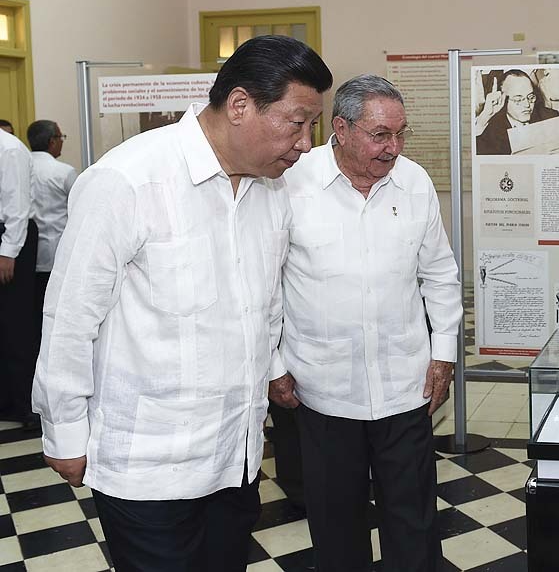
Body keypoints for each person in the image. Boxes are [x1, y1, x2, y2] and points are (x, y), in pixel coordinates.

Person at [31, 35, 332, 572]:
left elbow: (263, 309)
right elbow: (69, 319)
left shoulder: (270, 193)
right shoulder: (128, 180)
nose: (306, 144)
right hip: (149, 467)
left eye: (313, 125)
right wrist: (65, 431)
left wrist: (274, 371)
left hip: (235, 460)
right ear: (239, 105)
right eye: (297, 123)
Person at [281, 74, 462, 572]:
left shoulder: (414, 181)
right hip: (323, 389)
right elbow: (264, 283)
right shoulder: (291, 181)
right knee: (336, 523)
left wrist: (444, 353)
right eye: (381, 135)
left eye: (401, 134)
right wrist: (273, 364)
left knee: (414, 521)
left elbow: (439, 273)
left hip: (404, 384)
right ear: (340, 129)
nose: (394, 148)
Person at [26, 120, 77, 355]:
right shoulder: (64, 172)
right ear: (51, 141)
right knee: (56, 310)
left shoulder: (21, 165)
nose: (61, 142)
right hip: (58, 251)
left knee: (31, 311)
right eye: (60, 137)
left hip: (25, 253)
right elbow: (79, 207)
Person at [0, 126, 38, 428]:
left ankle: (25, 404)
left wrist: (8, 252)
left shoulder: (9, 148)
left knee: (16, 325)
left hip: (11, 240)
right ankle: (5, 401)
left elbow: (17, 205)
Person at [475, 69, 559, 155]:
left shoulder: (550, 118)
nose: (527, 104)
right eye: (518, 99)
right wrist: (484, 116)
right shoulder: (491, 131)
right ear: (503, 100)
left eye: (530, 97)